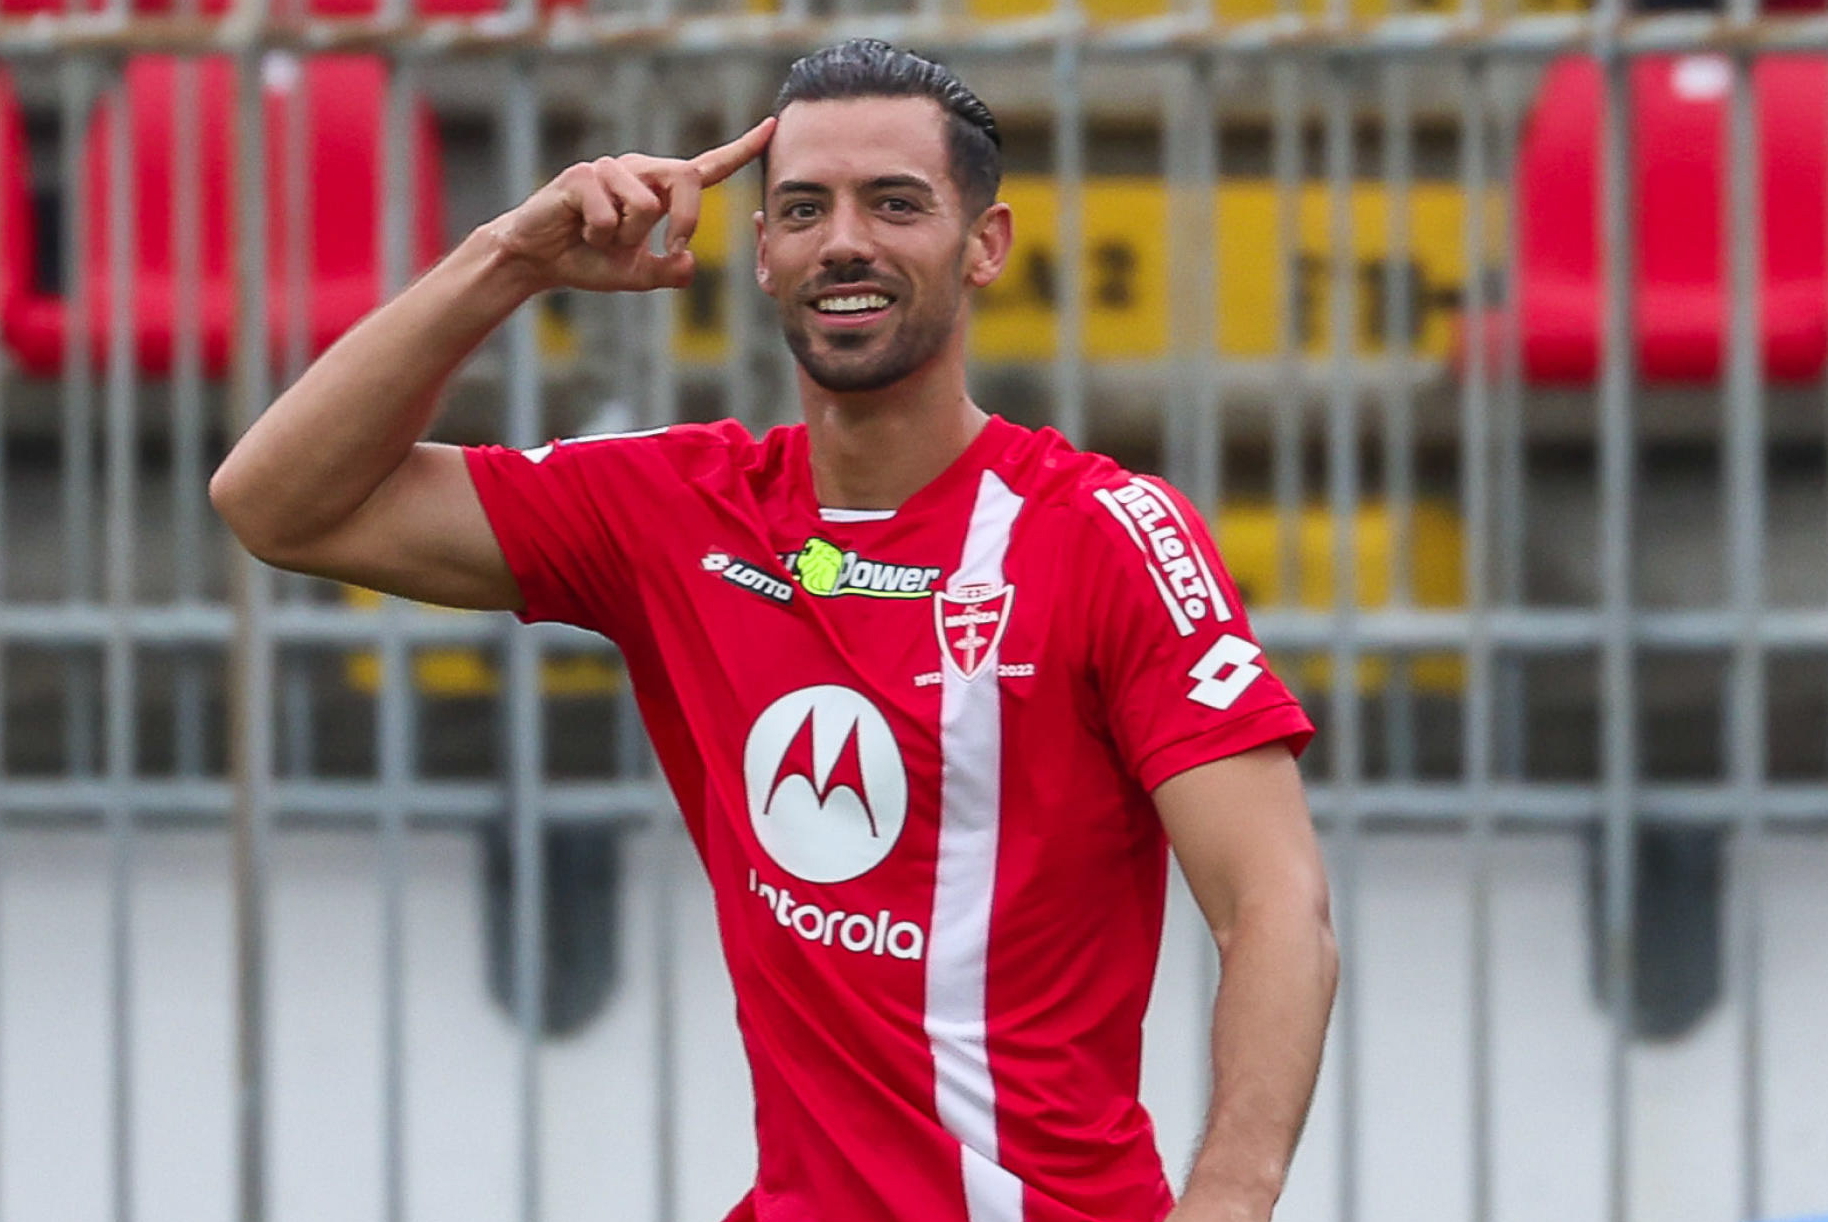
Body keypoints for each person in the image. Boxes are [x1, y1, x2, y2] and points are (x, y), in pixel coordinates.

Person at [211, 38, 1337, 1222]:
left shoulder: (1103, 534)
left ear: (984, 246)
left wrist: (1228, 1202)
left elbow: (1274, 907)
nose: (843, 239)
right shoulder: (676, 510)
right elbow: (276, 503)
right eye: (803, 208)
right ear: (761, 255)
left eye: (895, 204)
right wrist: (508, 261)